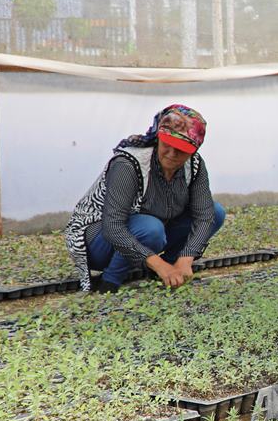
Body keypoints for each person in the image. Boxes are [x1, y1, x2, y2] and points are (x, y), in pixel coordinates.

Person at [64, 104, 226, 292]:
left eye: (181, 149)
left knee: (216, 212)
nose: (172, 154)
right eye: (167, 144)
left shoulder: (195, 165)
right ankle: (110, 281)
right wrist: (158, 264)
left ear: (193, 150)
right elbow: (113, 227)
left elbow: (205, 215)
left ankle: (170, 267)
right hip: (97, 242)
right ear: (158, 138)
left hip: (145, 233)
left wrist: (186, 258)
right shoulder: (128, 164)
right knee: (150, 229)